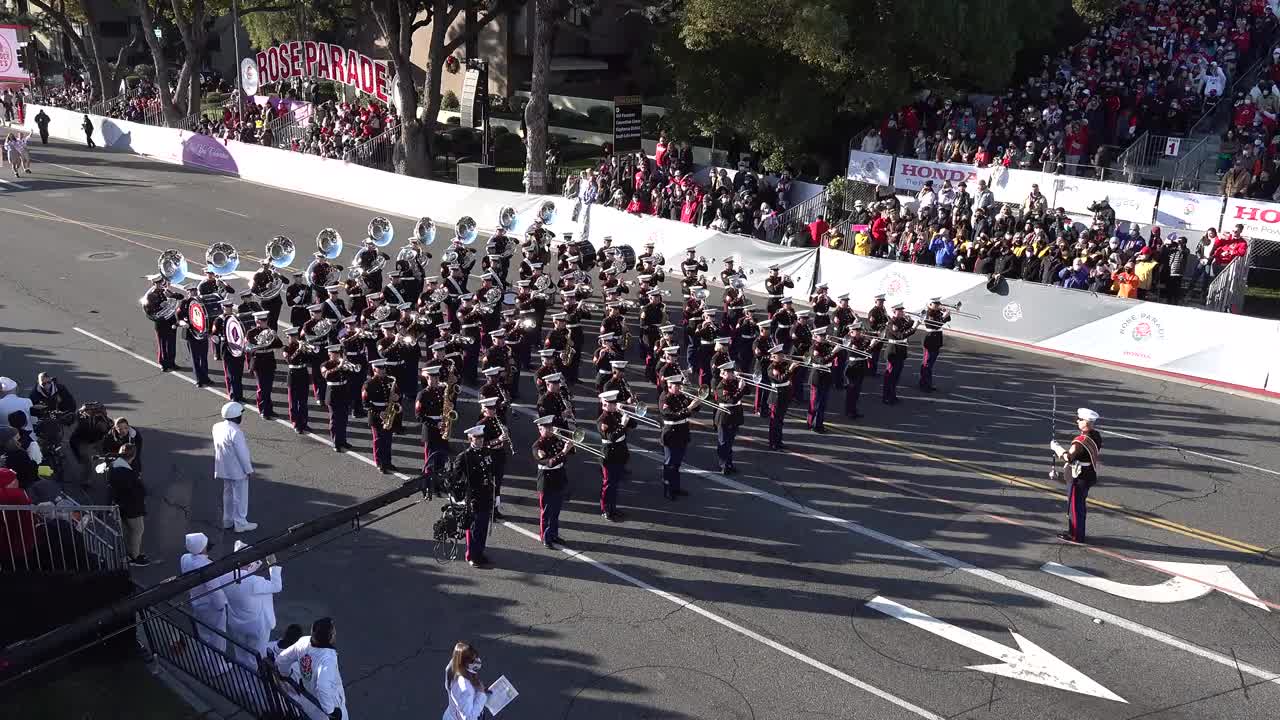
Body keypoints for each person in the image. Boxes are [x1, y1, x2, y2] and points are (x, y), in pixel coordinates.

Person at [224, 540, 284, 669]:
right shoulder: (254, 582)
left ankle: (242, 681)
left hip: (236, 623)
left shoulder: (224, 577)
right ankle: (253, 687)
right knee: (256, 658)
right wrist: (272, 564)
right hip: (257, 626)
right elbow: (276, 586)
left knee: (240, 655)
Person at [275, 617, 349, 720]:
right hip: (324, 711)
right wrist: (331, 711)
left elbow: (282, 660)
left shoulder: (303, 642)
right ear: (329, 637)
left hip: (307, 701)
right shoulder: (327, 659)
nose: (335, 634)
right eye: (333, 632)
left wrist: (284, 674)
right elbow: (322, 687)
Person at [1052, 408, 1102, 544]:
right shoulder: (1096, 435)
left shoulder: (1080, 442)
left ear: (1087, 422)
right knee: (1080, 506)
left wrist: (1057, 448)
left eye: (1080, 420)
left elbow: (1069, 458)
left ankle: (1076, 535)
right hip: (1088, 474)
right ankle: (1078, 531)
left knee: (1075, 507)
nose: (1077, 421)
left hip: (1078, 477)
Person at [180, 532, 231, 657]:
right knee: (218, 636)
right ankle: (217, 665)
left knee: (203, 633)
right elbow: (214, 590)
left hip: (196, 601)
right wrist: (221, 606)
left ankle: (204, 658)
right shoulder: (206, 566)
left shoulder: (185, 558)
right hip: (211, 606)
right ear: (202, 548)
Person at [213, 401, 257, 532]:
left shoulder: (217, 426)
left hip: (223, 467)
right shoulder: (236, 432)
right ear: (237, 417)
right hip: (237, 470)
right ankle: (240, 523)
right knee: (240, 497)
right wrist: (248, 470)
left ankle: (227, 520)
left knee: (228, 494)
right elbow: (242, 453)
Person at [458, 424, 496, 567]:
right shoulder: (465, 456)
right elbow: (456, 477)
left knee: (483, 527)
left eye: (481, 437)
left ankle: (479, 552)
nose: (479, 440)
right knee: (473, 527)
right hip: (473, 496)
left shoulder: (486, 452)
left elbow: (491, 473)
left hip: (486, 494)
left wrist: (496, 494)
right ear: (470, 438)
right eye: (476, 438)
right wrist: (461, 494)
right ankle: (471, 555)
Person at [106, 443, 150, 566]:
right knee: (137, 531)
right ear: (133, 456)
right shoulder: (126, 472)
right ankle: (134, 557)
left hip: (121, 505)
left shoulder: (114, 466)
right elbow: (134, 491)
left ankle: (129, 554)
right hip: (132, 508)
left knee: (128, 531)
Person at [531, 416, 570, 549]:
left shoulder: (556, 439)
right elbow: (550, 462)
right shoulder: (537, 446)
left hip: (558, 477)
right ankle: (545, 537)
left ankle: (554, 534)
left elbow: (570, 454)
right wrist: (564, 451)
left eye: (550, 427)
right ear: (540, 429)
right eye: (546, 428)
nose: (549, 430)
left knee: (556, 511)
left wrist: (568, 444)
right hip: (547, 480)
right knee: (547, 511)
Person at [659, 375, 700, 500]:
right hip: (671, 433)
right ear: (669, 386)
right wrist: (689, 407)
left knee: (677, 463)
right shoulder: (664, 398)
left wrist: (697, 400)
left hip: (682, 432)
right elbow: (672, 415)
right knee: (670, 463)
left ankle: (675, 487)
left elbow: (696, 408)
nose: (679, 388)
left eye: (679, 385)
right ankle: (668, 489)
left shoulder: (680, 395)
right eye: (676, 386)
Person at [443, 641, 490, 720]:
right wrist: (481, 695)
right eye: (472, 660)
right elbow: (469, 718)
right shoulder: (464, 689)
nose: (477, 661)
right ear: (464, 664)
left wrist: (479, 690)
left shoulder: (454, 666)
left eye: (476, 657)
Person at [713, 361, 745, 473]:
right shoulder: (721, 385)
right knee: (723, 442)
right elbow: (732, 400)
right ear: (723, 373)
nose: (732, 374)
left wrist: (742, 382)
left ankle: (729, 463)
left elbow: (748, 391)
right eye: (729, 372)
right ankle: (723, 465)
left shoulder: (734, 382)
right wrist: (740, 389)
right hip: (724, 416)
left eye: (732, 372)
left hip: (734, 415)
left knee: (730, 442)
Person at [918, 298, 952, 392]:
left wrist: (946, 313)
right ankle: (924, 384)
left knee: (931, 364)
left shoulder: (937, 312)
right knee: (927, 363)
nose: (938, 305)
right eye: (935, 304)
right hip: (929, 340)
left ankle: (928, 383)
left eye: (938, 304)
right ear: (930, 304)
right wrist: (943, 317)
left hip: (936, 340)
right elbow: (935, 325)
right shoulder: (928, 313)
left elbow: (947, 319)